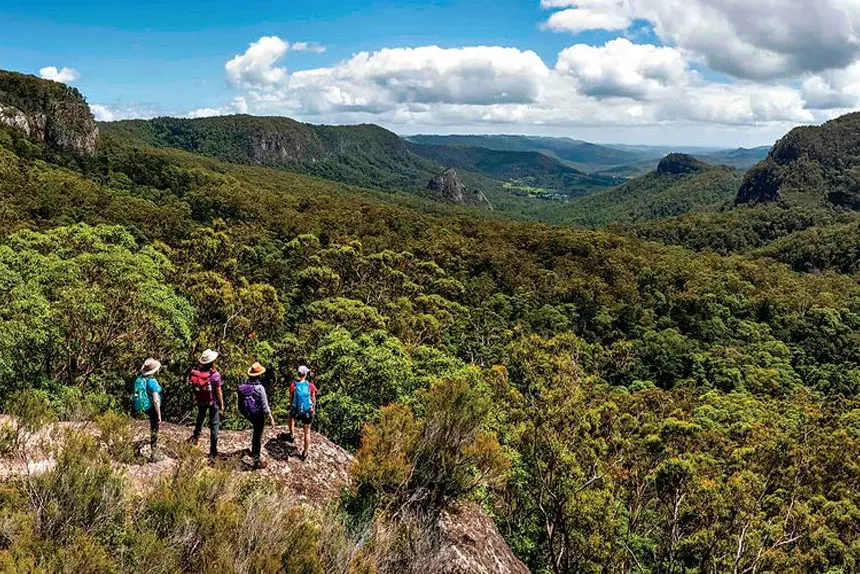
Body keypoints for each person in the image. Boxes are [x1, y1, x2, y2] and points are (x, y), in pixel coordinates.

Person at [237, 362, 276, 469]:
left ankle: (254, 452)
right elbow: (265, 405)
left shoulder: (243, 387)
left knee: (256, 433)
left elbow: (240, 404)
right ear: (260, 375)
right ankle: (256, 461)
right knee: (258, 437)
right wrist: (271, 418)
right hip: (258, 415)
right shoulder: (260, 388)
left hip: (248, 413)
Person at [187, 349, 223, 460]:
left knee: (200, 419)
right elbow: (218, 391)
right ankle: (213, 451)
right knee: (214, 425)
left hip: (201, 400)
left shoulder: (196, 373)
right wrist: (221, 404)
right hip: (213, 402)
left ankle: (196, 437)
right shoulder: (215, 375)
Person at [133, 358, 164, 462]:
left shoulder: (141, 379)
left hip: (144, 407)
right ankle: (154, 453)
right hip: (152, 408)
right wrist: (159, 414)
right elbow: (156, 400)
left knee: (150, 428)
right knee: (154, 430)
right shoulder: (152, 382)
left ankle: (151, 451)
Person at [287, 365, 316, 460]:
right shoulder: (310, 386)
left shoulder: (293, 385)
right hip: (307, 412)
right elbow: (313, 399)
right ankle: (305, 452)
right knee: (307, 432)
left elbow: (291, 399)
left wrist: (292, 408)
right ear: (305, 374)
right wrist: (313, 410)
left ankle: (291, 435)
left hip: (296, 411)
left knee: (290, 417)